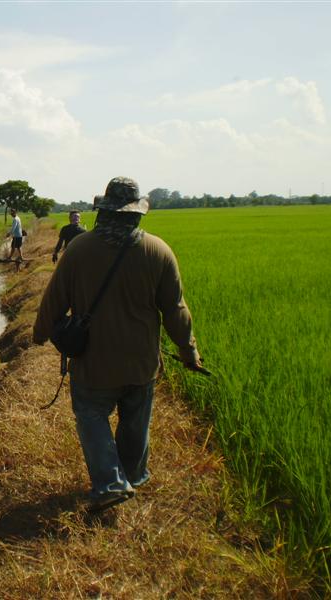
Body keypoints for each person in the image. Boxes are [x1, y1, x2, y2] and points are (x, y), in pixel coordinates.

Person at [32, 176, 202, 511]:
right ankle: (132, 476)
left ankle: (110, 483)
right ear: (136, 213)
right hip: (141, 362)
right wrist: (188, 350)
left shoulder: (80, 249)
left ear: (105, 211)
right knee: (135, 419)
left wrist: (39, 334)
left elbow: (53, 302)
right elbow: (175, 309)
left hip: (93, 363)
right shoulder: (158, 251)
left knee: (92, 415)